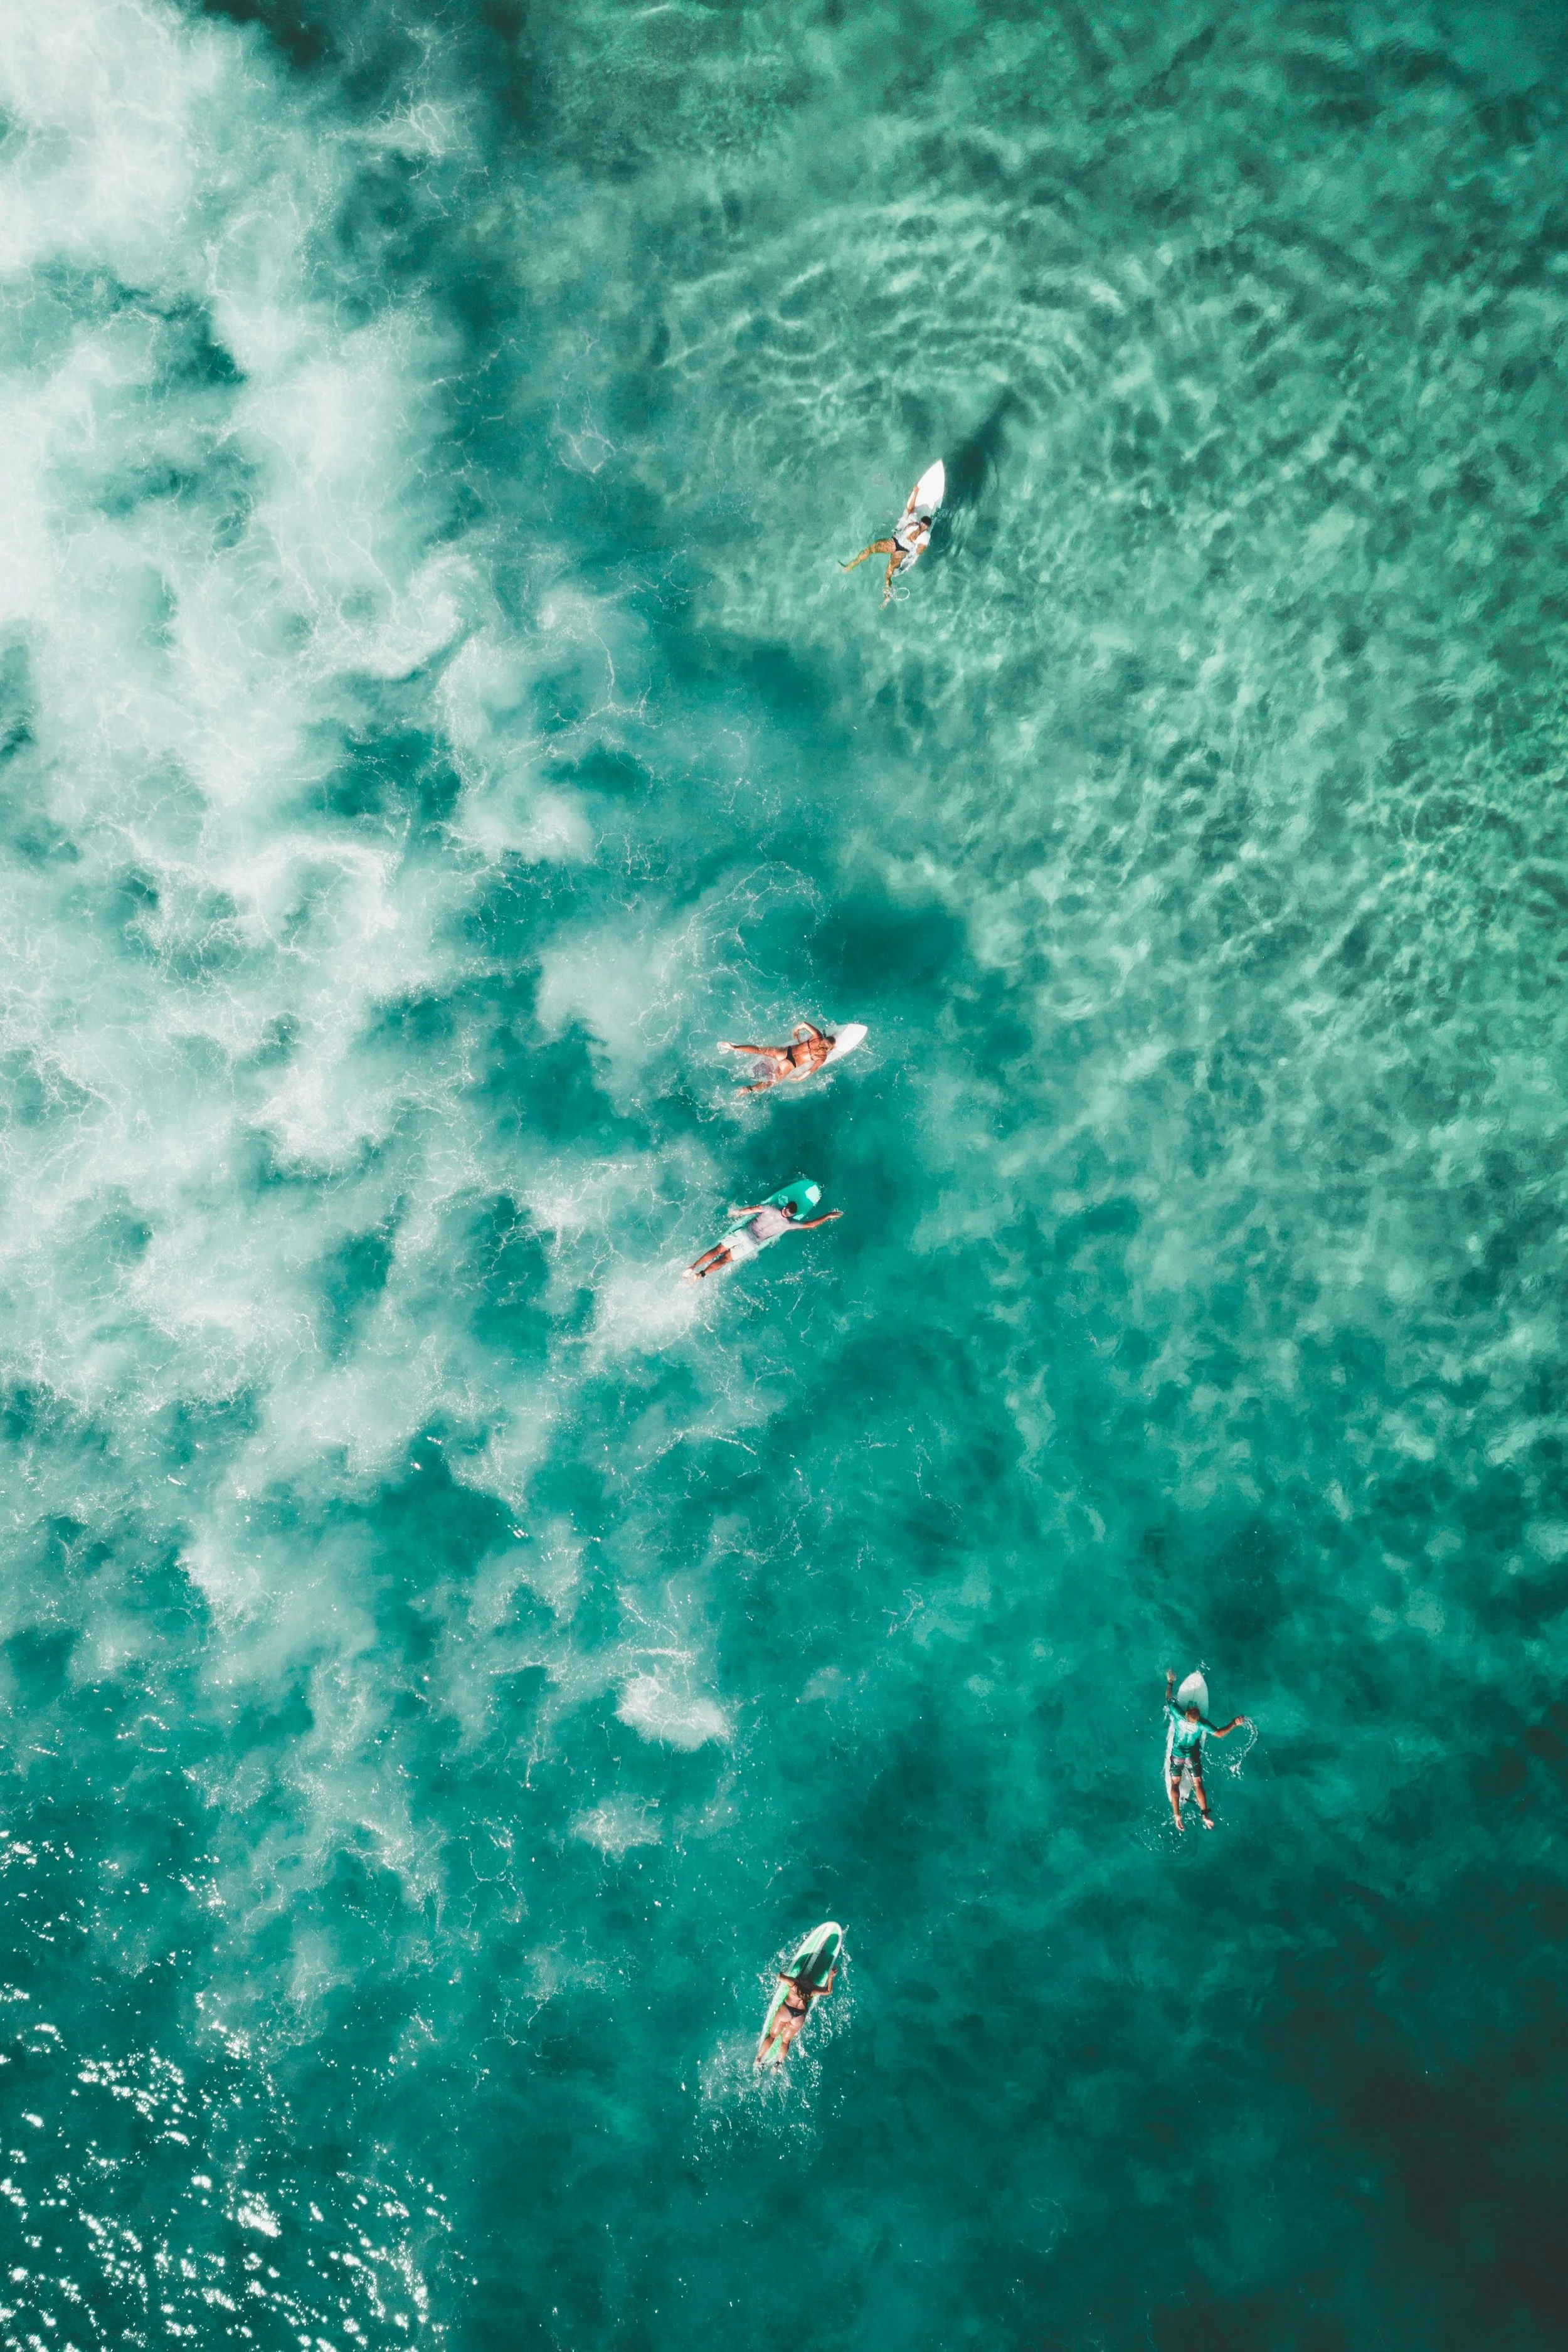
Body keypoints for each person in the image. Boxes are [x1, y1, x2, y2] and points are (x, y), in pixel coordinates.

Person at [683, 1194, 842, 1281]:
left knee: (718, 1249)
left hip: (744, 1233)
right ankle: (700, 1276)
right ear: (791, 1214)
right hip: (751, 1244)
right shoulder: (789, 1224)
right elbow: (810, 1225)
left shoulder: (771, 1208)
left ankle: (693, 1266)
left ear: (785, 1208)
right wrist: (828, 1216)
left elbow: (752, 1210)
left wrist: (737, 1212)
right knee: (724, 1260)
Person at [1164, 1669, 1247, 1831]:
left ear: (1187, 1712)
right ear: (1198, 1716)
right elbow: (1220, 1734)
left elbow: (1168, 1698)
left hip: (1178, 1755)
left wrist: (1171, 1682)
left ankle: (1177, 1815)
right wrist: (1234, 1723)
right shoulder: (1202, 1724)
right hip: (1192, 1756)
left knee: (1175, 1783)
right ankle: (1205, 1815)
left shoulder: (1179, 1715)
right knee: (1198, 1783)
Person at [840, 485, 935, 607]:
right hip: (901, 552)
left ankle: (850, 566)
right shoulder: (926, 538)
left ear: (921, 522)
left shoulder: (913, 524)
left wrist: (915, 492)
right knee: (888, 576)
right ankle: (886, 599)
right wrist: (906, 565)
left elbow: (909, 509)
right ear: (927, 528)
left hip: (893, 544)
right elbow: (917, 553)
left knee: (870, 550)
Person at [717, 1022, 835, 1091]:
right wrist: (798, 1079)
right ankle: (748, 1089)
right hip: (789, 1065)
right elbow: (809, 1072)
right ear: (829, 1049)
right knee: (771, 1082)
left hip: (784, 1052)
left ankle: (734, 1048)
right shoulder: (822, 1057)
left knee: (759, 1050)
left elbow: (803, 1024)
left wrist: (796, 1032)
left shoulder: (817, 1036)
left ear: (824, 1039)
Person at [763, 1961, 835, 2064]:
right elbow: (828, 1991)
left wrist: (782, 1971)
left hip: (786, 2011)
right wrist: (831, 1977)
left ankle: (758, 2060)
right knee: (785, 2041)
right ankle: (778, 2064)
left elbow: (780, 1977)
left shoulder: (794, 1985)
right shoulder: (812, 1991)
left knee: (772, 2036)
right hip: (799, 2018)